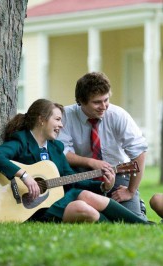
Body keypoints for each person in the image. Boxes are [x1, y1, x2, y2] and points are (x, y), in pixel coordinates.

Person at [0, 99, 148, 224]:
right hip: (32, 208)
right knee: (83, 209)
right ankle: (126, 224)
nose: (61, 125)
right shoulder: (21, 142)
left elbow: (71, 178)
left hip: (57, 201)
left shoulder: (55, 148)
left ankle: (142, 225)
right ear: (41, 120)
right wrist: (24, 176)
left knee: (86, 196)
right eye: (57, 119)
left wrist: (103, 186)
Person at [57, 72, 148, 220]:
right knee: (80, 215)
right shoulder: (66, 116)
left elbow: (139, 153)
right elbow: (62, 152)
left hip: (118, 174)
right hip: (80, 175)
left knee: (133, 220)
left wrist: (131, 191)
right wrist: (91, 162)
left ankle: (136, 204)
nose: (104, 106)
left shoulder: (118, 115)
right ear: (81, 101)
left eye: (106, 100)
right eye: (97, 102)